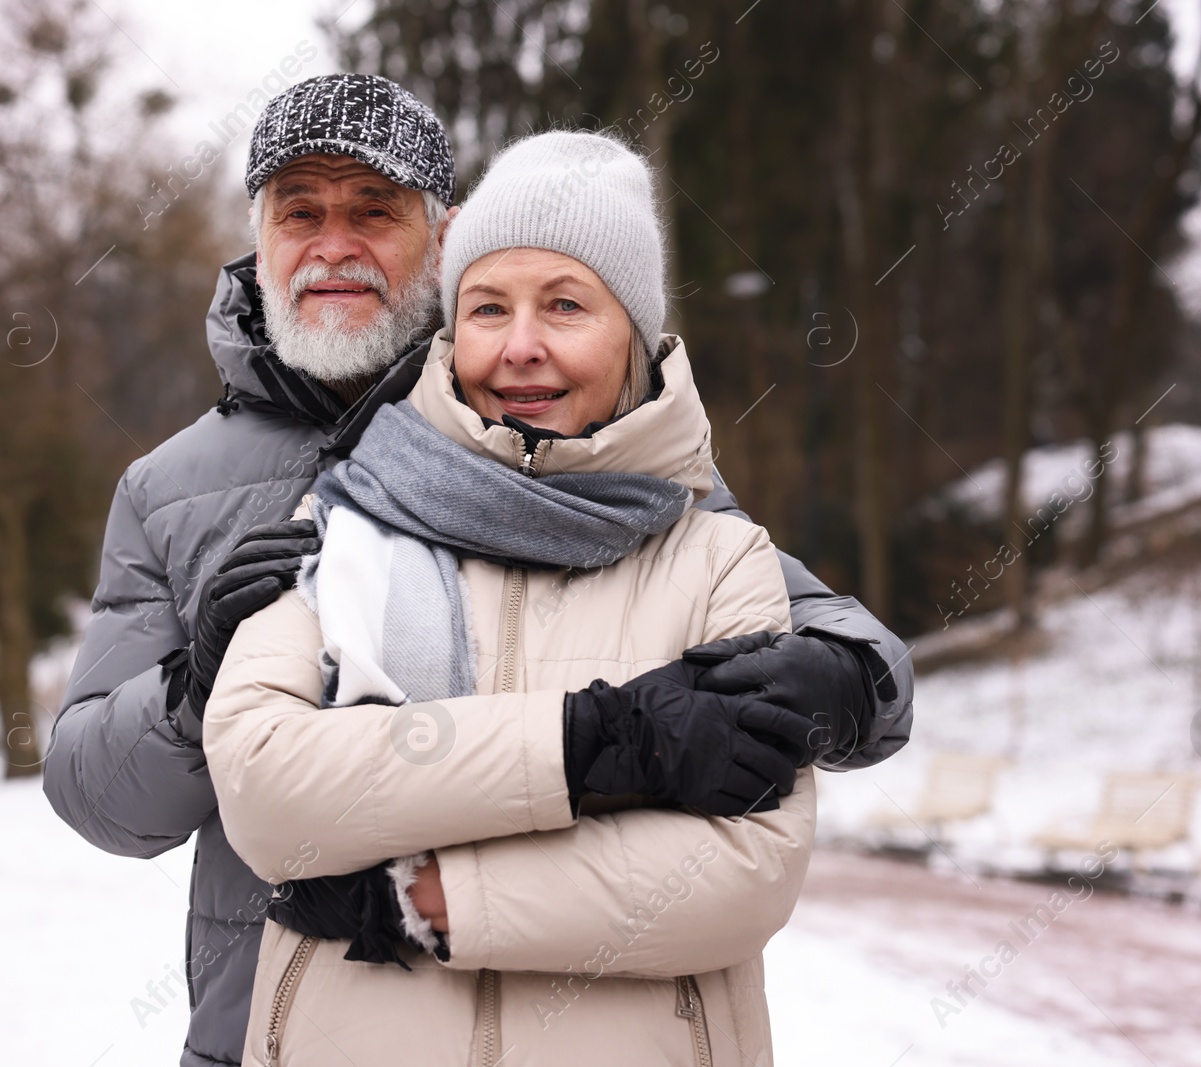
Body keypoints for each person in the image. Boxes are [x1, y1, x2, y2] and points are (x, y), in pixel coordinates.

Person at [43, 74, 913, 1067]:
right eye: (301, 213)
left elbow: (783, 614)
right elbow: (96, 795)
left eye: (374, 210)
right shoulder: (168, 487)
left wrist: (847, 679)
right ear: (259, 234)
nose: (334, 245)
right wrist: (190, 688)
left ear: (445, 233)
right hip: (268, 1032)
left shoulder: (583, 440)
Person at [206, 129, 817, 1066]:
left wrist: (429, 891)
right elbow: (265, 786)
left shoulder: (721, 560)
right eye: (488, 308)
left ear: (636, 336)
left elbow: (744, 872)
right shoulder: (350, 516)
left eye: (566, 305)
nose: (521, 348)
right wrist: (594, 743)